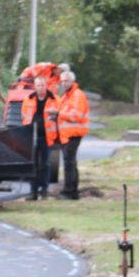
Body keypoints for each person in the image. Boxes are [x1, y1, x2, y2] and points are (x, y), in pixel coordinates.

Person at [21, 73, 58, 198]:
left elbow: (59, 117)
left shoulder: (54, 99)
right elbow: (24, 117)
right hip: (33, 137)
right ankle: (33, 191)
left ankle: (44, 190)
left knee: (46, 164)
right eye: (38, 85)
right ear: (34, 86)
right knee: (34, 164)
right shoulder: (28, 99)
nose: (40, 87)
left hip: (47, 137)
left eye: (42, 85)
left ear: (46, 86)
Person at [56, 70, 90, 199]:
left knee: (69, 164)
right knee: (70, 163)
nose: (63, 83)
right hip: (67, 135)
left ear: (72, 81)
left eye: (66, 81)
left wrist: (58, 114)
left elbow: (77, 115)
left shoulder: (77, 95)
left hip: (73, 134)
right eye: (62, 81)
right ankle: (72, 192)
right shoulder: (67, 96)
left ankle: (69, 192)